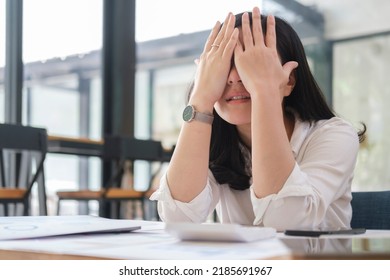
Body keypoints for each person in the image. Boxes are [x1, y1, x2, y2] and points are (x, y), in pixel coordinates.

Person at [150, 7, 365, 231]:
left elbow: (287, 222)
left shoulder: (334, 135)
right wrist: (201, 98)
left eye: (250, 63)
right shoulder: (215, 141)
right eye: (224, 64)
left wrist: (265, 91)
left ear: (289, 80)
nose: (232, 76)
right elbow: (177, 219)